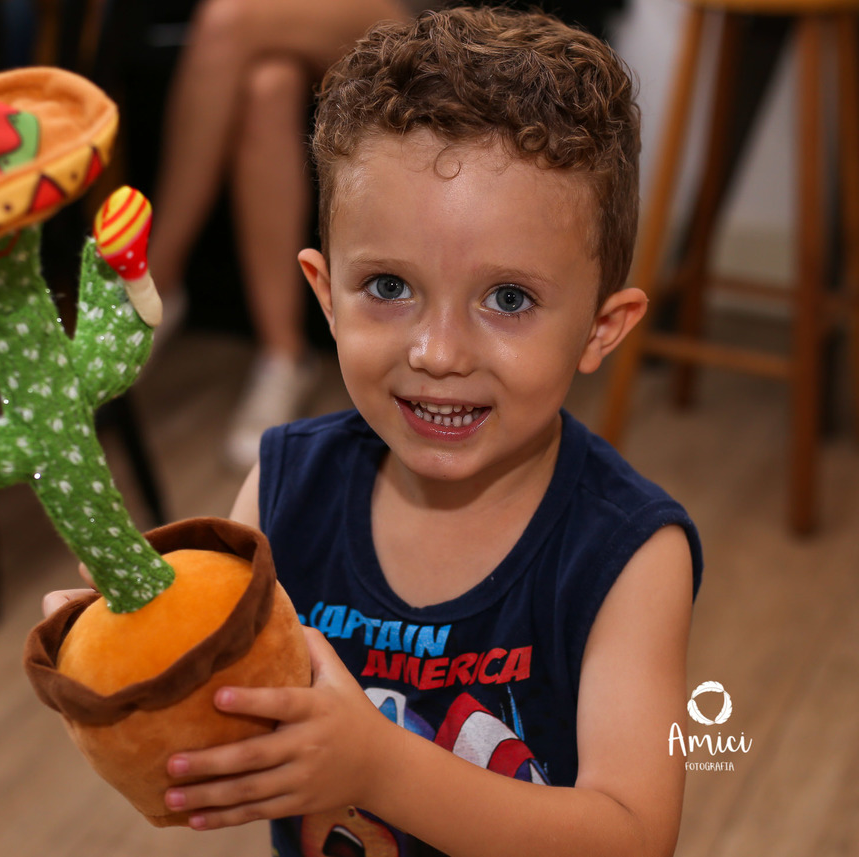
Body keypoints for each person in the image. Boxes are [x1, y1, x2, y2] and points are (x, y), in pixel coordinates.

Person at [45, 8, 703, 856]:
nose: (437, 352)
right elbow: (221, 716)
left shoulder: (630, 554)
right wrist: (132, 658)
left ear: (602, 330)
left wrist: (378, 767)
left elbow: (633, 836)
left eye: (508, 299)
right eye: (389, 286)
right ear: (324, 293)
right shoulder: (284, 488)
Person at [145, 0, 430, 468]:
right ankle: (284, 355)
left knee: (226, 20)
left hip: (413, 12)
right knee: (267, 86)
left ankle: (156, 280)